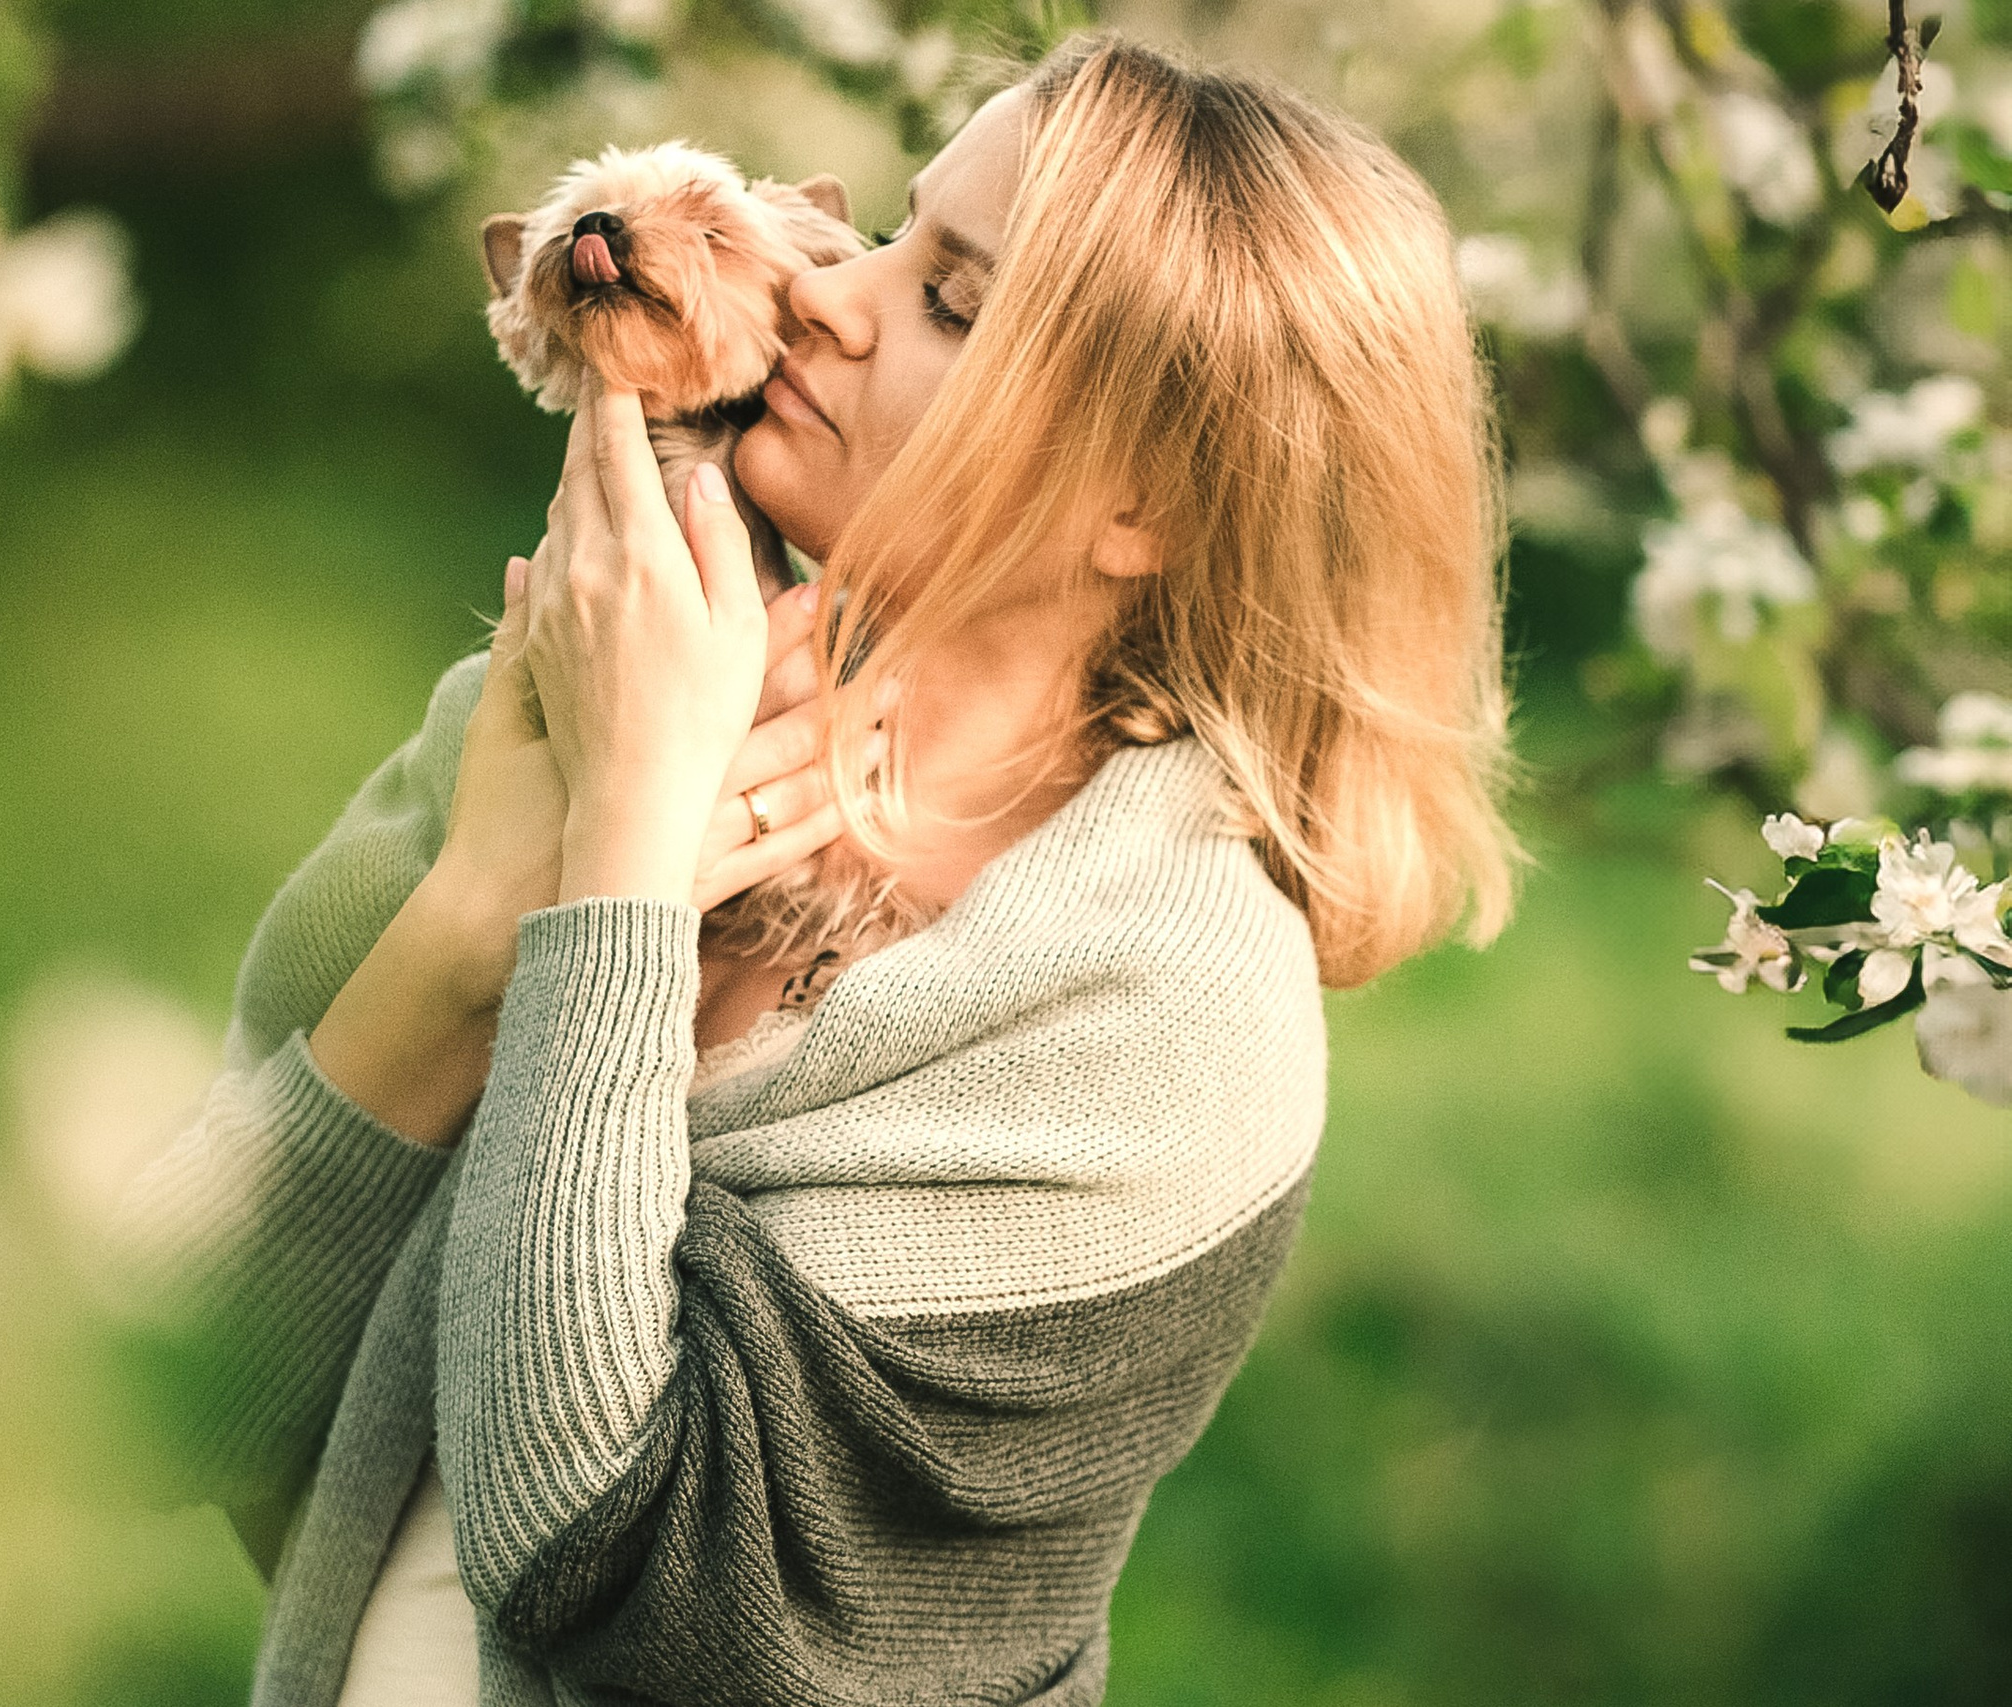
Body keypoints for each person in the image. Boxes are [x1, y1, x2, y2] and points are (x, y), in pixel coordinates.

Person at [105, 29, 1522, 1707]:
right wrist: (478, 915)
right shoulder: (555, 714)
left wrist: (617, 876)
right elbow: (151, 1394)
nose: (835, 291)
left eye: (952, 301)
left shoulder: (1165, 1024)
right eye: (898, 234)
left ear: (1142, 506)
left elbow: (614, 1566)